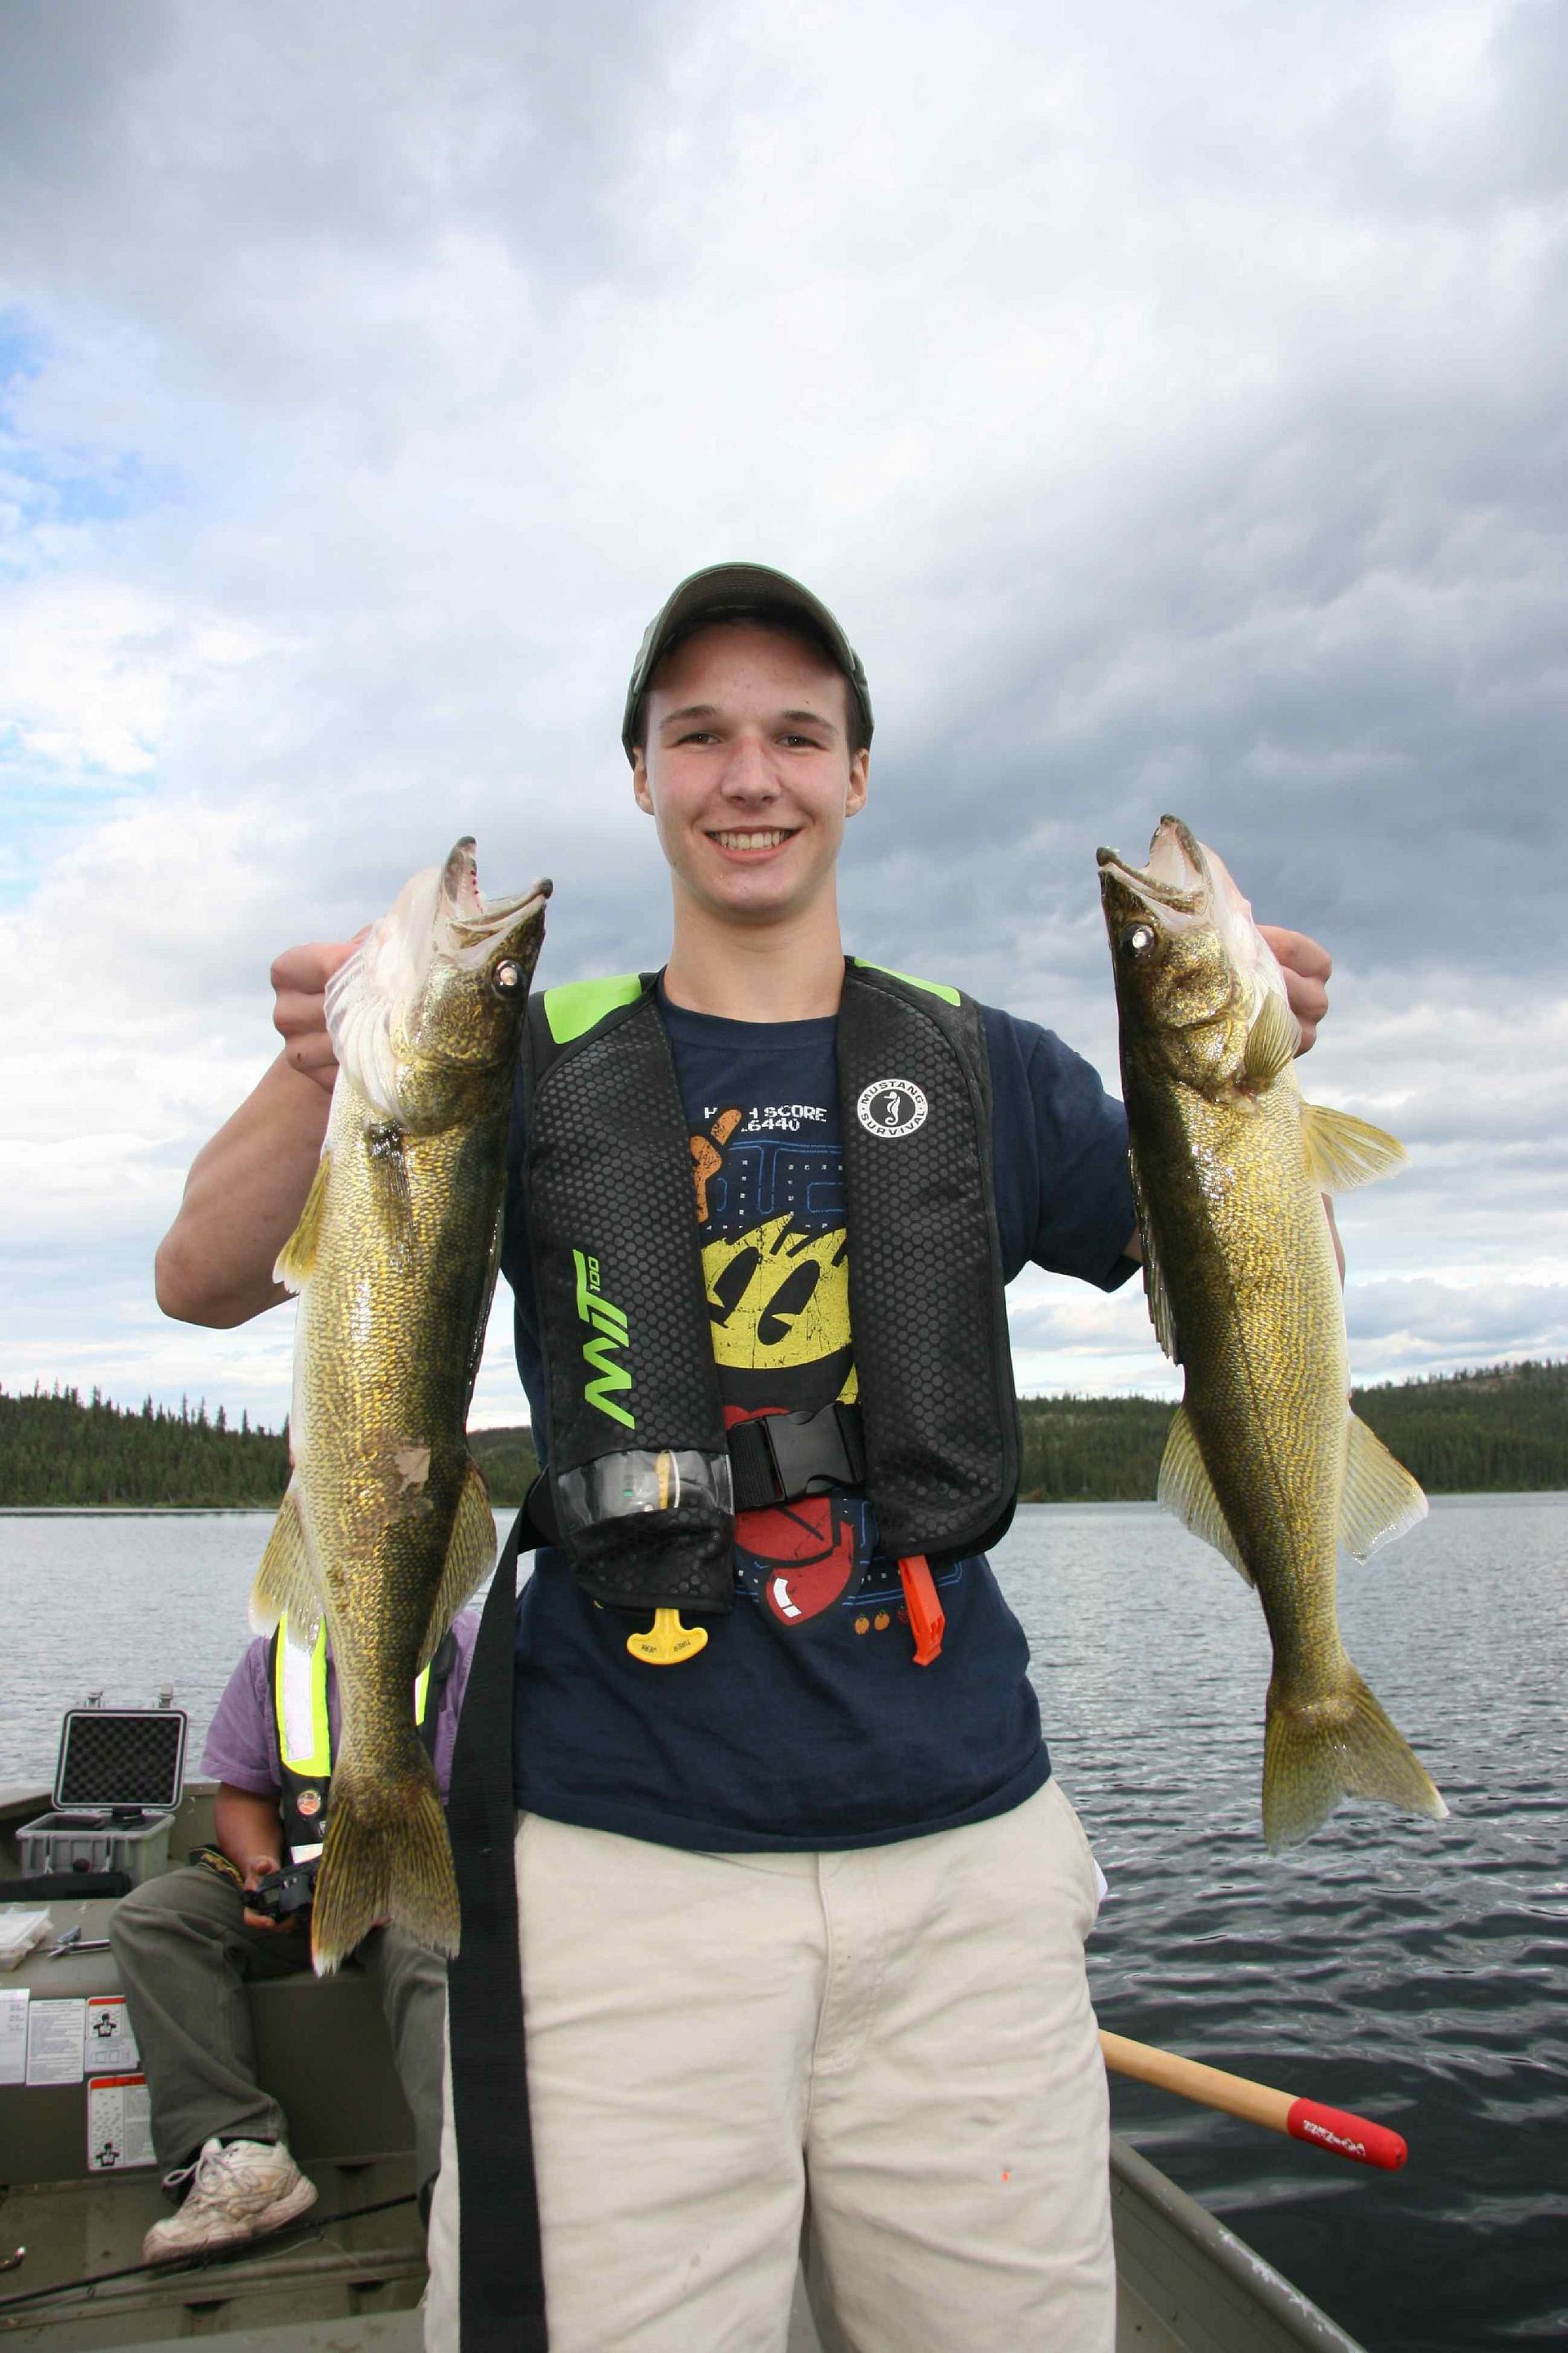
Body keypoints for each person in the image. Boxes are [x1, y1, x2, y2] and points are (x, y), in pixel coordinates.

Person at [155, 564, 1333, 2349]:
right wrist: (325, 1070)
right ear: (641, 775)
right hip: (614, 1865)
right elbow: (203, 1282)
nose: (750, 774)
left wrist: (1255, 1102)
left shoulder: (990, 1066)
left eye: (797, 731)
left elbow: (1249, 1311)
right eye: (699, 734)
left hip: (966, 1855)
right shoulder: (522, 1059)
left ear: (859, 770)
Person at [109, 1609, 478, 2262]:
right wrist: (258, 1866)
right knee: (155, 1919)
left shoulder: (474, 1647)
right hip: (307, 1890)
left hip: (418, 1891)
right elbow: (243, 1793)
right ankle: (243, 2153)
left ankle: (458, 2194)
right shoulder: (273, 1660)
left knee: (434, 1956)